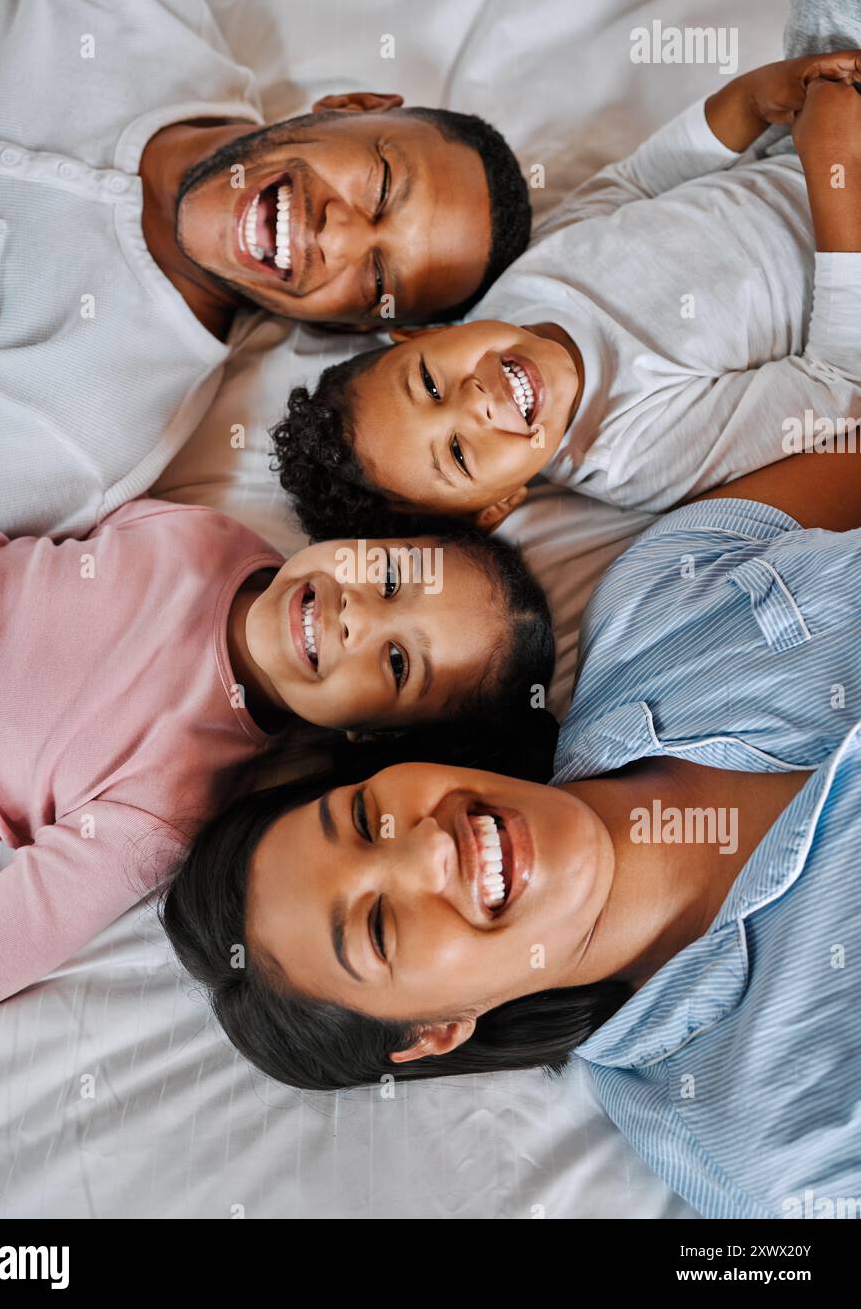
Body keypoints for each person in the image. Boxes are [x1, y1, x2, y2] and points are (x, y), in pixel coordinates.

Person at [160, 445, 861, 1218]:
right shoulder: (772, 1147)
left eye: (364, 818)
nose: (428, 846)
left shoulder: (656, 596)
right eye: (382, 928)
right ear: (435, 1032)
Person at [0, 0, 530, 538]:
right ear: (354, 105)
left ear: (346, 325)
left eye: (376, 277)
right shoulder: (135, 4)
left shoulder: (89, 432)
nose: (336, 238)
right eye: (381, 184)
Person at [0, 500, 552, 1029]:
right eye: (388, 578)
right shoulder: (208, 532)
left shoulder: (162, 805)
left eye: (396, 663)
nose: (360, 614)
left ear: (371, 732)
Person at [271, 31, 861, 536]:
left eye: (428, 382)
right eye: (457, 453)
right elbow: (835, 381)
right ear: (495, 508)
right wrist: (837, 169)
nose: (474, 401)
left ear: (417, 335)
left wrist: (755, 98)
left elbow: (636, 181)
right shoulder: (634, 457)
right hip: (839, 182)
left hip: (805, 140)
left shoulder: (522, 282)